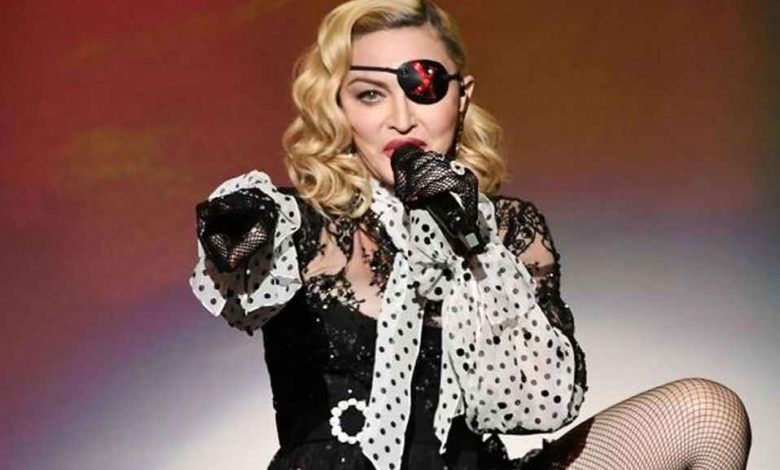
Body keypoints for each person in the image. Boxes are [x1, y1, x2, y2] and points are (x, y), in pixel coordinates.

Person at [190, 1, 752, 469]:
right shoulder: (301, 224)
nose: (401, 118)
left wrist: (473, 244)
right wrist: (241, 223)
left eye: (424, 86)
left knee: (707, 412)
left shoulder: (506, 232)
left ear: (461, 97)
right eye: (370, 94)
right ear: (340, 108)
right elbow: (231, 263)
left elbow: (539, 406)